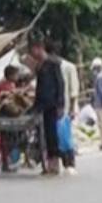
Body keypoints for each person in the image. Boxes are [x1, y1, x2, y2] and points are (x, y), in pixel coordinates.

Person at [30, 40, 67, 176]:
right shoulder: (39, 66)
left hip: (52, 104)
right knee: (44, 135)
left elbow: (60, 83)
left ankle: (55, 164)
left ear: (39, 48)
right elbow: (39, 88)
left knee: (52, 135)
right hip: (42, 105)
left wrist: (60, 104)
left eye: (33, 50)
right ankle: (47, 164)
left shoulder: (53, 63)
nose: (33, 54)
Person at [54, 44, 80, 172]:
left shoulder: (69, 67)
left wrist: (72, 109)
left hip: (67, 107)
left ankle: (70, 162)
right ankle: (64, 162)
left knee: (67, 137)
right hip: (57, 107)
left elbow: (73, 90)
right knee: (60, 136)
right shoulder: (51, 66)